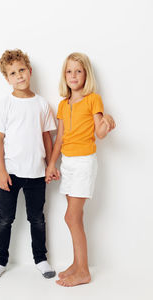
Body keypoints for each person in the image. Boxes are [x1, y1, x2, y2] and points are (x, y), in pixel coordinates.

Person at [45, 52, 116, 287]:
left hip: (85, 162)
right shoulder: (63, 104)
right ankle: (77, 264)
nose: (73, 75)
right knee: (74, 217)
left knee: (71, 216)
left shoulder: (92, 99)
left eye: (78, 71)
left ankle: (83, 271)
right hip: (68, 163)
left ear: (86, 75)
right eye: (69, 71)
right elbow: (60, 138)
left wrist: (108, 123)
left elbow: (100, 133)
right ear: (64, 76)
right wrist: (52, 164)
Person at [0, 49, 56, 281]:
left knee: (37, 218)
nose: (19, 76)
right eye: (13, 73)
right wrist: (0, 171)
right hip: (11, 173)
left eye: (22, 70)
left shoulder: (42, 104)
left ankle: (41, 258)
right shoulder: (4, 104)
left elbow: (47, 137)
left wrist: (49, 165)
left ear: (30, 70)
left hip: (36, 172)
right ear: (7, 79)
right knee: (5, 218)